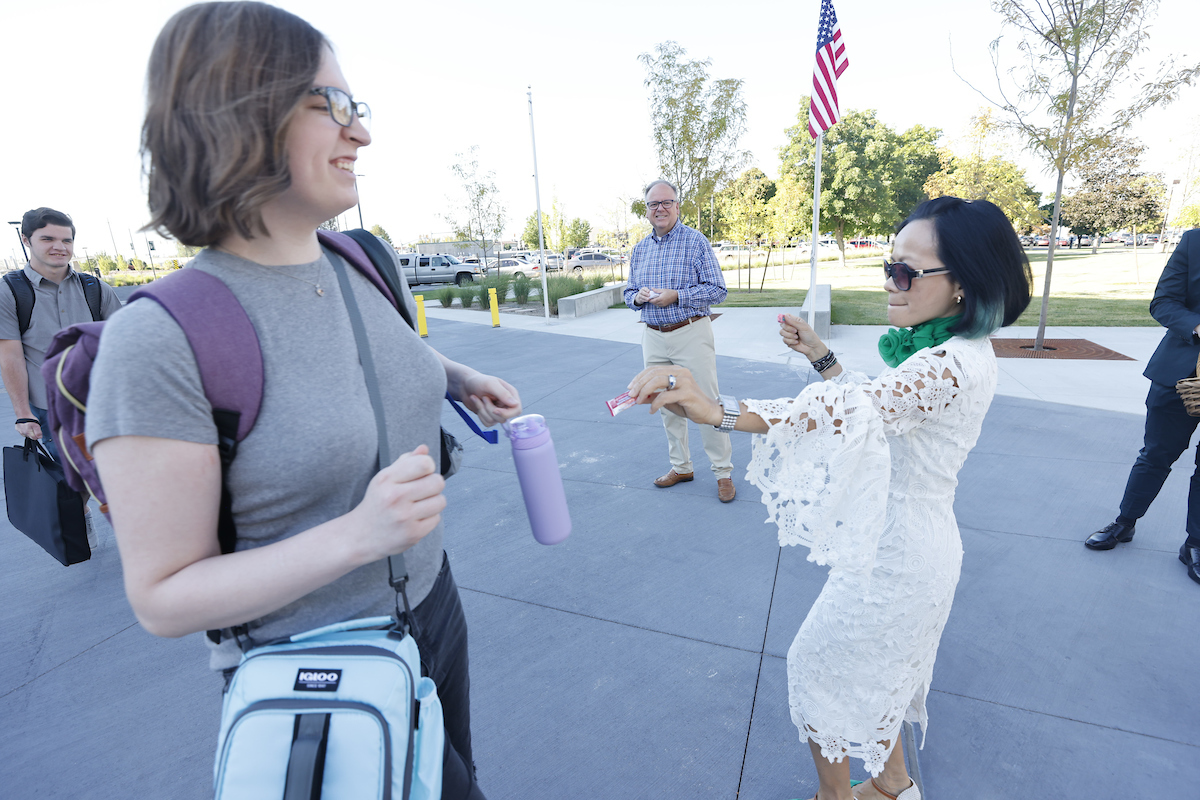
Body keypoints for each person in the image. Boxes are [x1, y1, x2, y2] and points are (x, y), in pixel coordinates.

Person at [87, 4, 522, 796]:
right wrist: (359, 536)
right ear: (239, 112)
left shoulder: (356, 258)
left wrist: (451, 375)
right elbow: (162, 598)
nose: (362, 133)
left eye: (359, 108)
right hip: (320, 671)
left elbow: (361, 349)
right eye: (333, 105)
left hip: (434, 608)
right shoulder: (159, 340)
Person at [628, 197, 1032, 800]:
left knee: (817, 668)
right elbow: (878, 407)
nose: (890, 281)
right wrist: (821, 356)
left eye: (905, 271)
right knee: (878, 674)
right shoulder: (945, 352)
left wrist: (718, 411)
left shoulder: (950, 364)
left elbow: (858, 413)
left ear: (962, 287)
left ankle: (836, 797)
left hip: (902, 556)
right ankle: (892, 784)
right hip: (902, 540)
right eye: (888, 266)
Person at [1085, 228, 1200, 585]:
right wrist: (1196, 325)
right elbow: (1163, 302)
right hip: (1178, 374)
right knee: (1155, 455)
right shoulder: (1194, 242)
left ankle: (1195, 543)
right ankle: (1125, 522)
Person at [622, 179, 735, 502]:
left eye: (666, 202)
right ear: (646, 211)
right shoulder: (640, 249)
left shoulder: (695, 242)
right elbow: (628, 293)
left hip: (690, 332)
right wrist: (639, 297)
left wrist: (676, 296)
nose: (660, 208)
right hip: (654, 337)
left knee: (707, 403)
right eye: (653, 204)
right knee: (666, 403)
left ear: (677, 206)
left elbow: (718, 290)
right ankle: (681, 466)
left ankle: (723, 472)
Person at [0, 208, 121, 464]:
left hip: (99, 403)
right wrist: (23, 413)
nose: (60, 247)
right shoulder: (9, 292)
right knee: (70, 485)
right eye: (48, 239)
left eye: (66, 240)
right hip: (49, 409)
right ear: (26, 239)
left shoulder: (97, 289)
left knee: (110, 477)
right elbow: (10, 356)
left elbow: (122, 346)